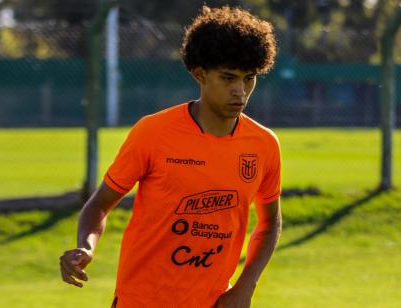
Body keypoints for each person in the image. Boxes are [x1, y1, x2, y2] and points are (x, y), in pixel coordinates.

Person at [59, 5, 281, 308]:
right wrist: (85, 247)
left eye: (249, 78)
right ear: (200, 74)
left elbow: (269, 225)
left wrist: (244, 287)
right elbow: (98, 206)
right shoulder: (153, 133)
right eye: (228, 78)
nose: (240, 91)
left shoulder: (264, 144)